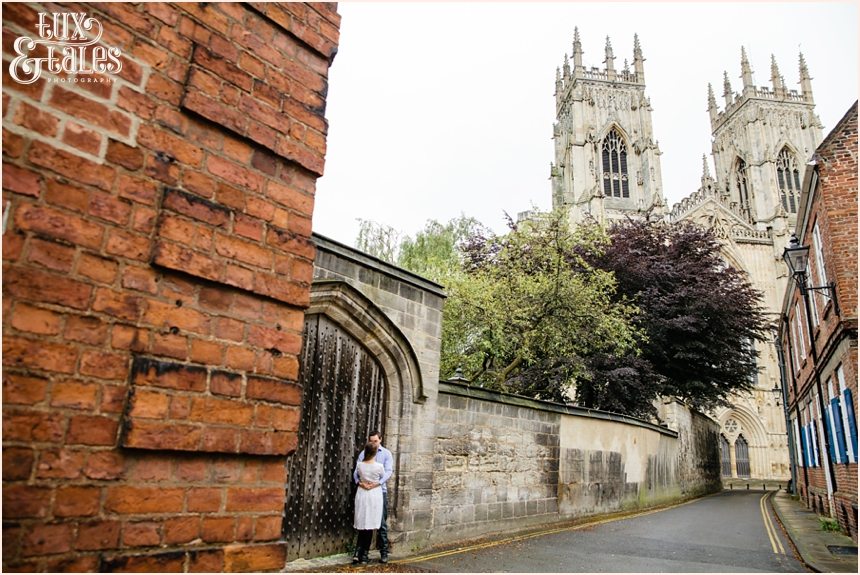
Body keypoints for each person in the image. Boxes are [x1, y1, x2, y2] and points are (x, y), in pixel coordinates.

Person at [352, 431, 393, 563]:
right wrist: (359, 483)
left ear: (380, 440)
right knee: (365, 522)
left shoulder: (386, 454)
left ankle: (383, 552)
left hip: (380, 491)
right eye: (371, 441)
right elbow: (356, 473)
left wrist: (378, 483)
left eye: (375, 441)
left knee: (381, 523)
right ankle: (361, 553)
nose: (373, 443)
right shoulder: (363, 453)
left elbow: (388, 471)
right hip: (365, 491)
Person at [352, 442, 384, 564]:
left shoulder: (360, 465)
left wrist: (362, 483)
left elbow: (358, 476)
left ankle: (357, 553)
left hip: (362, 493)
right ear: (375, 453)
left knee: (362, 524)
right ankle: (364, 555)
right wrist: (374, 483)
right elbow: (382, 476)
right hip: (374, 494)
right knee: (369, 525)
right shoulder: (379, 466)